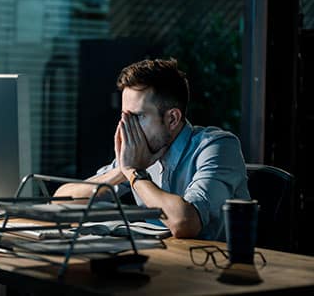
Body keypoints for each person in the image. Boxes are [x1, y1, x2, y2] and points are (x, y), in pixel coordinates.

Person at [55, 58, 250, 240]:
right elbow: (60, 204)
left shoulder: (219, 146)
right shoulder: (140, 152)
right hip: (165, 263)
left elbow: (184, 222)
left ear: (172, 119)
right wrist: (122, 171)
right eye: (124, 116)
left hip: (216, 268)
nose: (126, 127)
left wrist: (134, 174)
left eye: (137, 117)